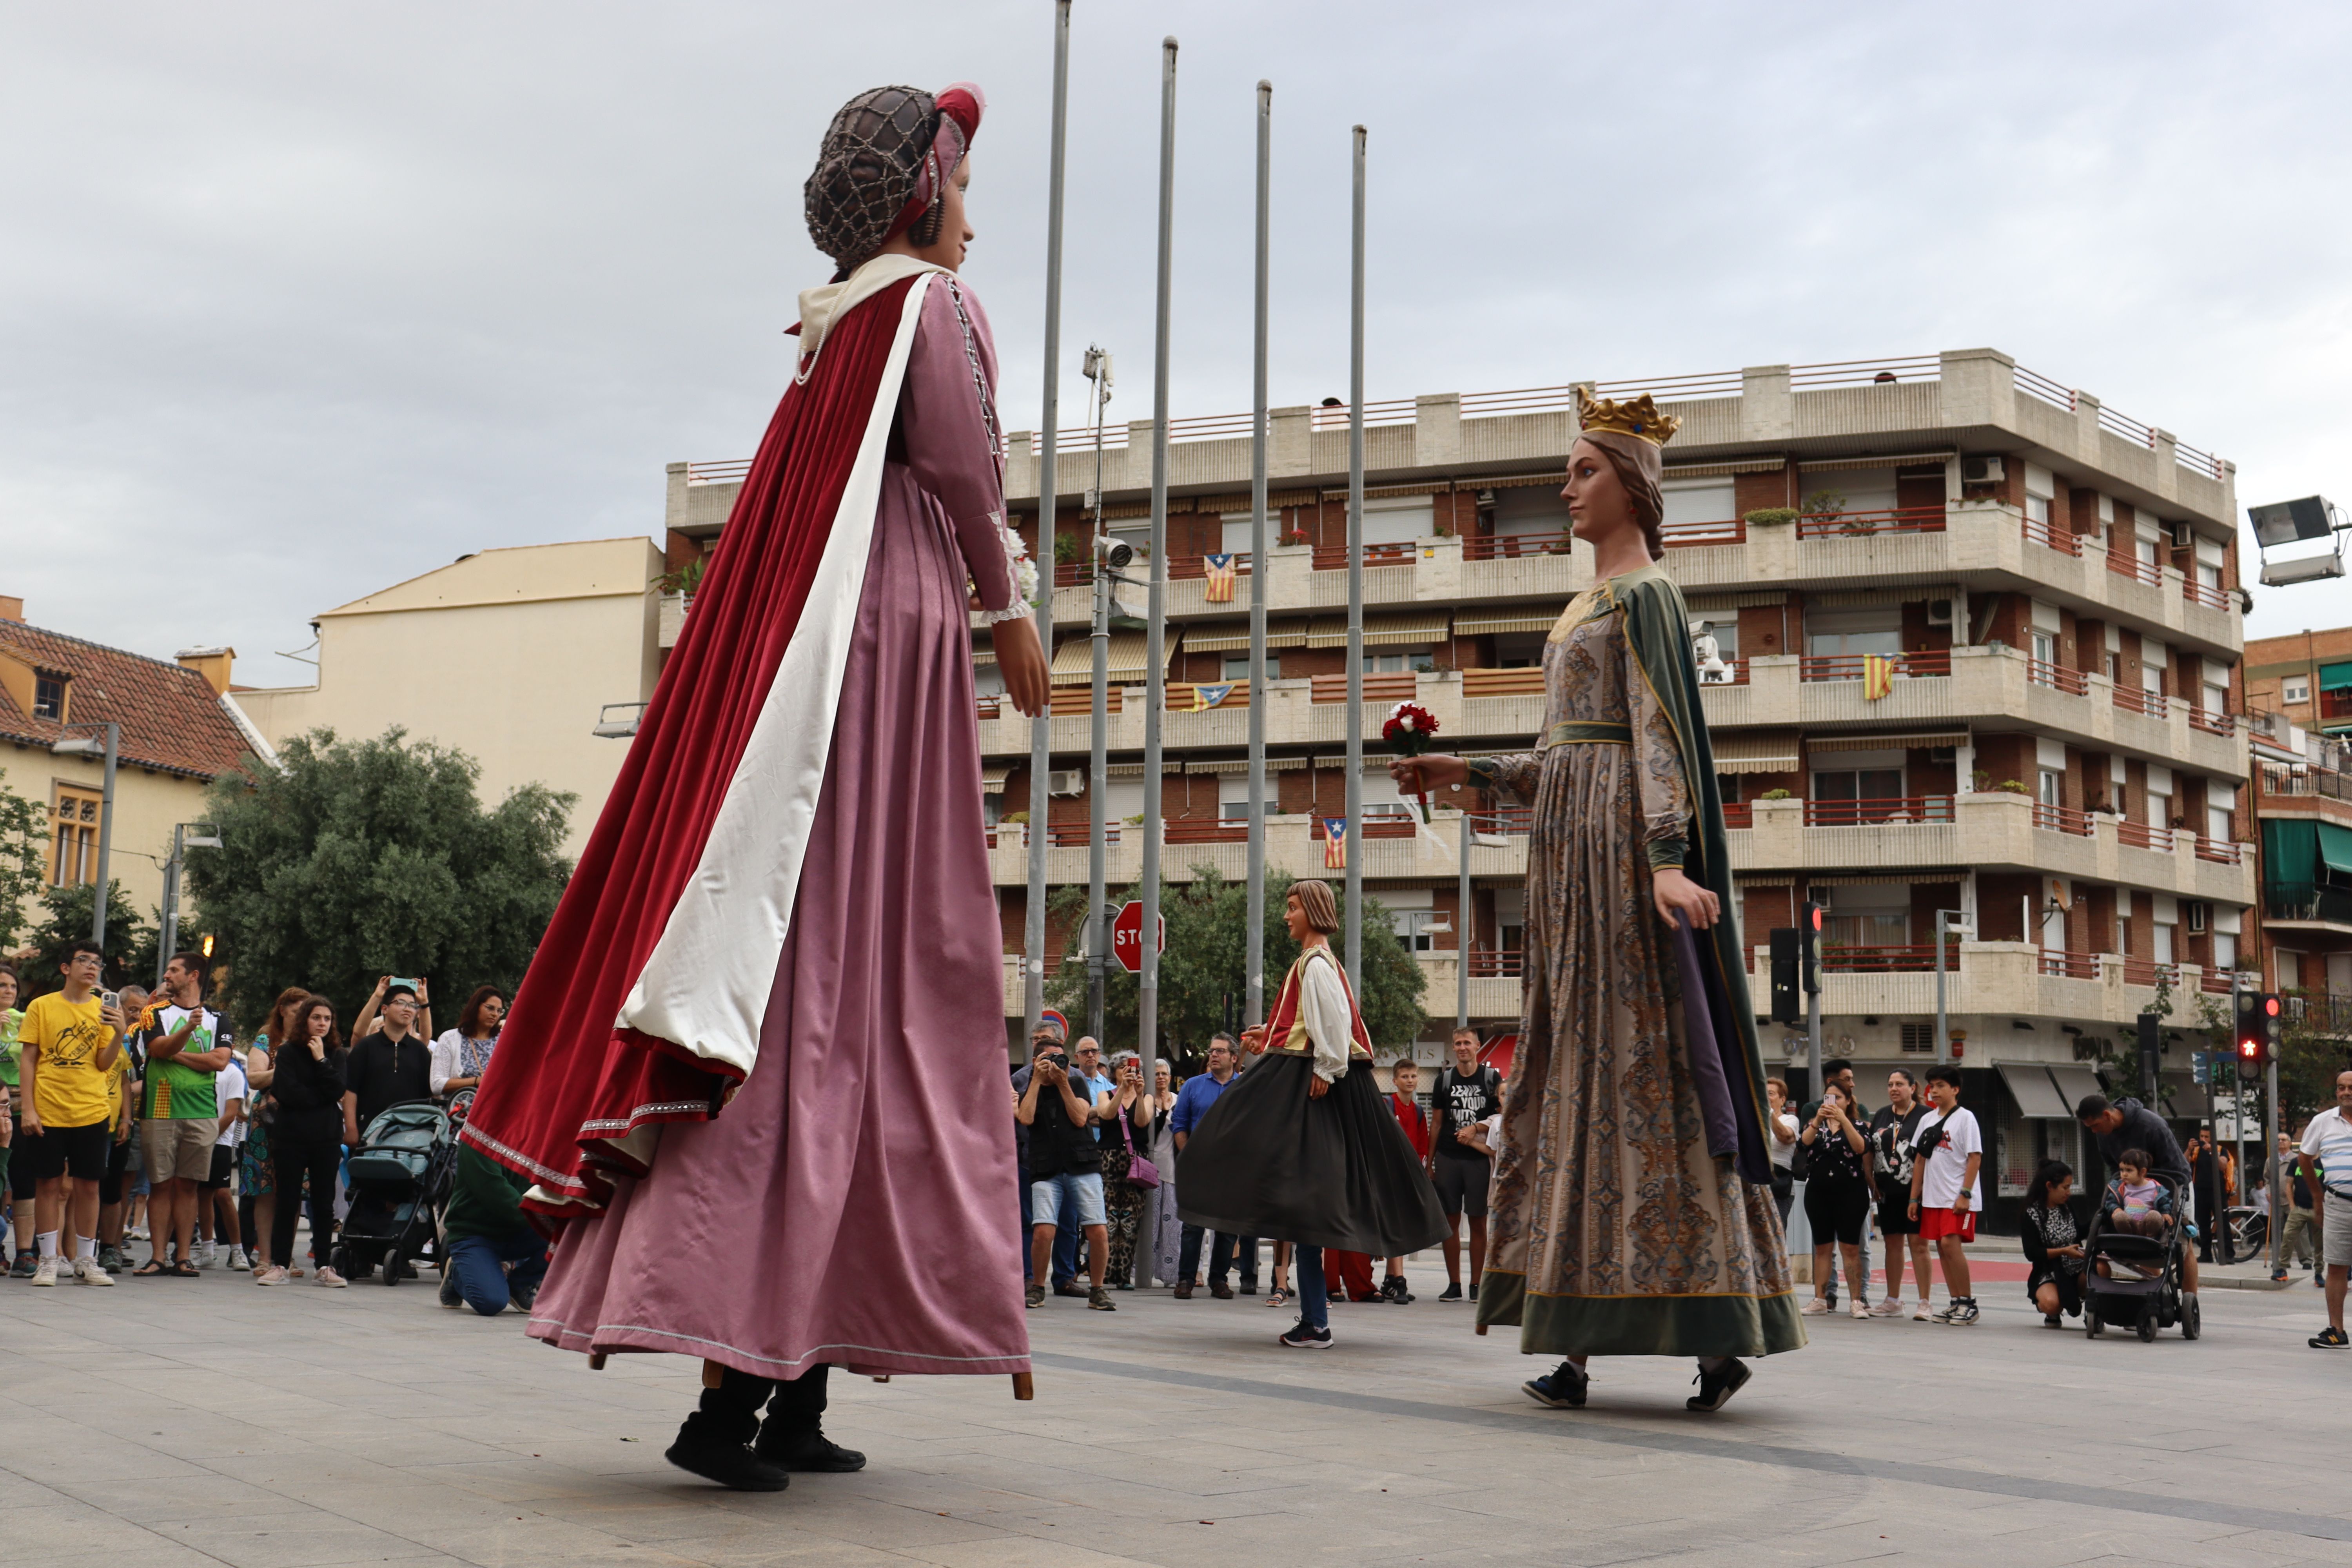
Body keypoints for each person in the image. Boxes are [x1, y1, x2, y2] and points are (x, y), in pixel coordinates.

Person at [460, 80, 1046, 1494]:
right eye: (960, 189)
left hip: (823, 660)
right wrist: (1010, 601)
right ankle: (742, 1397)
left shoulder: (830, 338)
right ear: (924, 196)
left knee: (822, 997)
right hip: (886, 638)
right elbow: (965, 469)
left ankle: (787, 1390)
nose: (972, 216)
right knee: (850, 999)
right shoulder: (930, 310)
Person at [1392, 392, 1802, 1412]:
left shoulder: (1647, 599)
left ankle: (1707, 1327)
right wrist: (1466, 771)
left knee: (1642, 1075)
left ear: (1633, 484)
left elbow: (1659, 731)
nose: (1566, 488)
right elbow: (1560, 760)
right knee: (1577, 1077)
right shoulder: (1581, 608)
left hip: (1622, 865)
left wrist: (1668, 855)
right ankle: (1585, 1340)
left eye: (1583, 470)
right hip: (1570, 867)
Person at [1174, 880, 1447, 1351]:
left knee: (1289, 1191)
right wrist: (1275, 1034)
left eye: (1293, 907)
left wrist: (1325, 1065)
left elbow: (1335, 1024)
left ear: (1314, 911)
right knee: (1305, 1216)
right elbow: (1309, 1021)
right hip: (1311, 1077)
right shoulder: (1316, 961)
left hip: (1315, 1083)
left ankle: (1316, 1322)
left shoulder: (1316, 961)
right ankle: (1315, 1320)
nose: (1287, 915)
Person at [17, 942, 127, 1285]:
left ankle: (87, 1261)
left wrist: (120, 1032)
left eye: (97, 962)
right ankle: (49, 1260)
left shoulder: (103, 1010)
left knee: (89, 1187)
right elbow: (29, 1060)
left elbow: (103, 1063)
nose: (92, 967)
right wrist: (29, 1110)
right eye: (84, 961)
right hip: (48, 1109)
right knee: (48, 1185)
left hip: (92, 1109)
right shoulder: (42, 1006)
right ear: (66, 968)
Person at [130, 951, 234, 1277]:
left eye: (174, 971)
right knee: (161, 1184)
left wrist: (177, 1054)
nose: (166, 976)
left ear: (193, 976)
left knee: (189, 1187)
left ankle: (184, 1257)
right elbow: (158, 1049)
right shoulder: (152, 1013)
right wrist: (188, 1032)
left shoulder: (219, 1017)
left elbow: (220, 1062)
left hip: (202, 1111)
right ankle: (158, 1256)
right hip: (160, 1109)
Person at [258, 997, 349, 1287]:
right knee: (287, 1201)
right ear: (304, 1021)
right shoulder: (287, 1053)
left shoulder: (336, 1054)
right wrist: (319, 1097)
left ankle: (324, 1266)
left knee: (324, 1203)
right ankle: (280, 1264)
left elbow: (337, 1089)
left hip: (326, 1136)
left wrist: (322, 1061)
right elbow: (287, 1092)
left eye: (327, 1019)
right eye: (316, 1018)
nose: (322, 1024)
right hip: (291, 1136)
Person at [1016, 1042, 1113, 1311]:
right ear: (1035, 1062)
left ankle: (1098, 1289)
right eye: (1048, 1059)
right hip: (1046, 1168)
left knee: (1097, 1229)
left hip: (1082, 1165)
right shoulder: (1030, 1088)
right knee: (1043, 1231)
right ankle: (1037, 1287)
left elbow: (1081, 1118)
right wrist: (1037, 1078)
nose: (1056, 1064)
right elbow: (1024, 1117)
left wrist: (1062, 1083)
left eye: (1060, 1058)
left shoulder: (1077, 1084)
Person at [2075, 1092, 2200, 1298]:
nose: (2094, 1131)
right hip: (2132, 1188)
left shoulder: (2152, 1125)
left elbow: (2175, 1168)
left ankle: (2190, 1301)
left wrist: (2162, 1201)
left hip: (2173, 1182)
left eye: (2095, 1125)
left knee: (2183, 1245)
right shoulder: (2103, 1135)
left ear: (2107, 1115)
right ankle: (2150, 1295)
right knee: (2144, 1242)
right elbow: (2114, 1167)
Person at [1169, 1034, 1248, 1300]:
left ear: (1234, 1058)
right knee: (1193, 1226)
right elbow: (1179, 1125)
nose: (1214, 1055)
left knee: (1227, 1228)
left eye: (1220, 1051)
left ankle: (1219, 1280)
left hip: (1233, 1168)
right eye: (1212, 1051)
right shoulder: (1192, 1086)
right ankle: (1186, 1280)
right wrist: (1190, 1156)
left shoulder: (1246, 1087)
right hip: (1198, 1166)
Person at [1428, 1027, 1502, 1304]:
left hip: (1478, 1160)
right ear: (1453, 1048)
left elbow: (1502, 1114)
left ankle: (1477, 1284)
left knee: (1478, 1221)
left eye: (1467, 1043)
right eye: (1458, 1043)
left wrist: (1474, 1128)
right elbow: (1436, 1123)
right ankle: (1454, 1284)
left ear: (1478, 1046)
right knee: (1450, 1221)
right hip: (1448, 1158)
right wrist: (1431, 1162)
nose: (1462, 1047)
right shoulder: (1444, 1080)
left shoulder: (1491, 1078)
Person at [1907, 1066, 1982, 1325]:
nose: (1934, 1091)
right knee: (1941, 1247)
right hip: (1932, 1198)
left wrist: (1965, 1194)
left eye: (1940, 1086)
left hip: (1957, 1198)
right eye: (1932, 1086)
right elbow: (1919, 1161)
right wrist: (1914, 1199)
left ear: (1955, 1089)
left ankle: (1968, 1303)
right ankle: (1955, 1302)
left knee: (1951, 1244)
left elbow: (1975, 1158)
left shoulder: (1966, 1118)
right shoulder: (1927, 1120)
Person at [438, 1144, 550, 1316]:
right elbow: (493, 1189)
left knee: (571, 1233)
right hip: (474, 1232)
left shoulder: (540, 1135)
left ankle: (520, 1284)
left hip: (518, 1230)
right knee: (491, 1303)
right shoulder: (477, 1137)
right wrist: (540, 1218)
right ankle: (456, 1273)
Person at [242, 988, 309, 1276]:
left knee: (292, 1192)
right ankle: (265, 1257)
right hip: (266, 1124)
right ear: (282, 1010)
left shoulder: (313, 1041)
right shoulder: (267, 1039)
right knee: (265, 1189)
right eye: (297, 1012)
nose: (302, 1018)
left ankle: (287, 1257)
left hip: (301, 1120)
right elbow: (254, 1078)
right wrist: (284, 1068)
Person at [1800, 1062, 1872, 1312]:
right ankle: (1820, 1299)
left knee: (1850, 1247)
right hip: (1819, 1193)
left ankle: (1856, 1301)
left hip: (1851, 1193)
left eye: (1839, 1098)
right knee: (1822, 1247)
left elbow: (1860, 1148)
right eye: (1829, 1098)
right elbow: (1804, 1144)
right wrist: (1818, 1120)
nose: (1833, 1103)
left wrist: (1844, 1120)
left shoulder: (1859, 1125)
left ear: (1849, 1101)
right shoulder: (1815, 1125)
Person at [1866, 1069, 1933, 1320]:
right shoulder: (1883, 1114)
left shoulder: (1925, 1116)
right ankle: (1893, 1300)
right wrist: (1871, 1181)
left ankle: (1925, 1302)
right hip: (1887, 1190)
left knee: (1918, 1244)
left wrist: (1919, 1194)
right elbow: (1872, 1149)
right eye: (1890, 1084)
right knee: (1892, 1244)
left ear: (1913, 1088)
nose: (1894, 1089)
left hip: (1916, 1191)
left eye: (1900, 1084)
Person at [341, 982, 432, 1147]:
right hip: (370, 1130)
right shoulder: (366, 1047)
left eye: (413, 1005)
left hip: (411, 1133)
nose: (408, 1009)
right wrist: (351, 1128)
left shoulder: (420, 1050)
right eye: (400, 1003)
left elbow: (429, 1094)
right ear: (384, 1009)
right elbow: (351, 1090)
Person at [94, 982, 145, 1274]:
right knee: (82, 1189)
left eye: (141, 1010)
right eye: (131, 1010)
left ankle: (109, 1249)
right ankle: (78, 1248)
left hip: (117, 1125)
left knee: (115, 1190)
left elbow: (125, 1081)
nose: (136, 1016)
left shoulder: (128, 1039)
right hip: (87, 1120)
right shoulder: (96, 1031)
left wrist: (127, 1119)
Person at [2299, 1069, 2352, 1349]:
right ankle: (2337, 1331)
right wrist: (2318, 1197)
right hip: (2339, 1203)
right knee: (2337, 1266)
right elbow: (2305, 1158)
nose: (2346, 1093)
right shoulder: (2322, 1122)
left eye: (2351, 1087)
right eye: (2341, 1088)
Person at [1098, 1052, 1156, 1290]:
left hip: (1136, 1161)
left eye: (1131, 1068)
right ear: (1114, 1073)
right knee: (1107, 1217)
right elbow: (1107, 1114)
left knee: (1131, 1220)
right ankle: (1103, 1273)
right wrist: (1122, 1090)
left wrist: (1140, 1094)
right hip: (1109, 1159)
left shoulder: (1148, 1098)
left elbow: (1143, 1123)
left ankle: (1123, 1276)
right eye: (1122, 1068)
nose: (1128, 1071)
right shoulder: (1106, 1094)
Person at [1381, 1057, 1432, 1303]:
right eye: (1405, 1077)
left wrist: (1420, 1171)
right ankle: (1399, 1282)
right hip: (1390, 1175)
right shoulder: (1387, 1105)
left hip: (1410, 1176)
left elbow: (1423, 1144)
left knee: (1399, 1225)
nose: (1410, 1081)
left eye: (1413, 1076)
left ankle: (1390, 1281)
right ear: (1395, 1081)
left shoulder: (1419, 1111)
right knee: (1396, 1225)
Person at [200, 1044, 249, 1269]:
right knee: (202, 1194)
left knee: (222, 1194)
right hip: (196, 1138)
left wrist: (208, 1138)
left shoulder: (233, 1072)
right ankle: (207, 1251)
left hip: (219, 1140)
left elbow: (231, 1114)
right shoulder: (198, 1067)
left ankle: (238, 1250)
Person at [2020, 1160, 2085, 1326]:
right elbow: (2032, 1253)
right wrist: (2063, 1251)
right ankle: (2051, 1309)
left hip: (2076, 1266)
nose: (2069, 1192)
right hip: (2049, 1271)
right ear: (2050, 1186)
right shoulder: (2031, 1213)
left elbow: (2078, 1232)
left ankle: (2092, 1308)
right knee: (2052, 1304)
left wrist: (2099, 1222)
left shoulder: (2067, 1206)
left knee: (2101, 1269)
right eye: (2065, 1187)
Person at [0, 964, 31, 1277]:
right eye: (1, 986)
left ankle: (25, 1253)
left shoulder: (27, 1022)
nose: (8, 992)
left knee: (24, 1181)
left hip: (22, 1110)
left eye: (12, 987)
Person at [431, 986, 505, 1100]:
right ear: (476, 1007)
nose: (495, 1014)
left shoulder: (503, 1041)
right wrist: (477, 1081)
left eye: (499, 1011)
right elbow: (437, 1084)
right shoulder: (449, 1038)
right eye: (490, 1008)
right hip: (459, 1114)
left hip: (494, 1111)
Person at [2274, 1127, 2319, 1283]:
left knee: (2318, 1243)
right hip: (2296, 1207)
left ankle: (2317, 1272)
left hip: (2318, 1209)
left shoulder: (2323, 1163)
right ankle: (2282, 1269)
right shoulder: (2296, 1162)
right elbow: (2288, 1184)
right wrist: (2293, 1206)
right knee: (2287, 1236)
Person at [1763, 1077, 1798, 1223]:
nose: (1766, 1097)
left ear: (1782, 1100)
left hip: (1778, 1186)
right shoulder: (1754, 1121)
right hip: (1755, 1184)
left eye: (1770, 1094)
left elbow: (1785, 1136)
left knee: (1776, 1233)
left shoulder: (1790, 1120)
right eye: (1762, 1093)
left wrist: (1767, 1109)